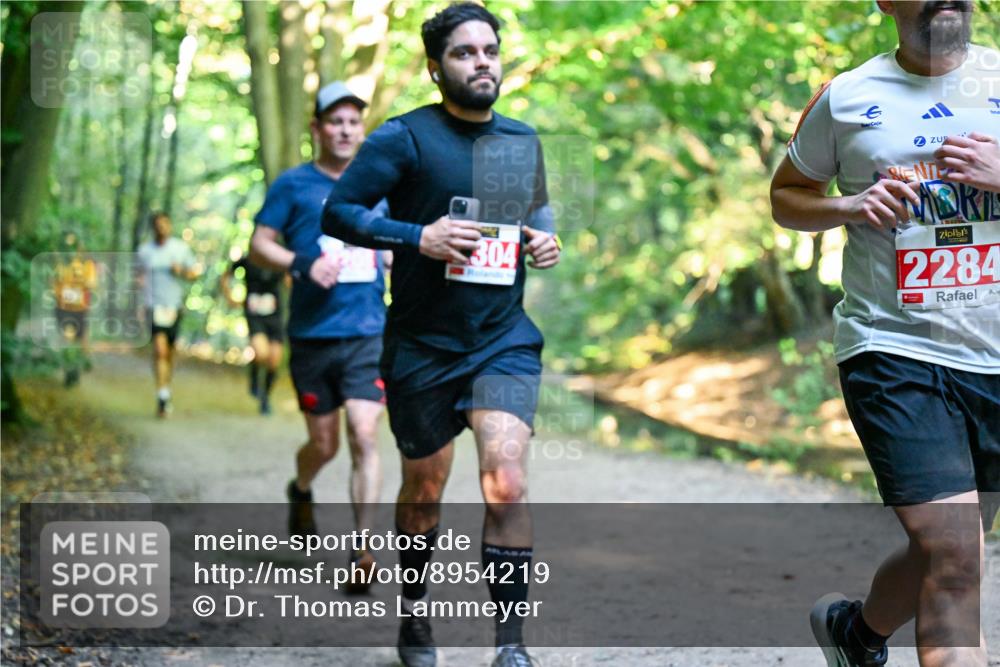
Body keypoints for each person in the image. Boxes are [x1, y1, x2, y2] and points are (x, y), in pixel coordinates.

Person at [322, 4, 561, 666]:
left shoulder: (519, 140)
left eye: (490, 50)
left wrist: (542, 236)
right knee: (424, 486)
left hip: (502, 337)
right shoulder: (403, 138)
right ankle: (415, 613)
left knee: (506, 479)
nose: (482, 61)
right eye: (464, 53)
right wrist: (415, 236)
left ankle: (510, 644)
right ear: (436, 68)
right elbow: (337, 212)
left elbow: (528, 213)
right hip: (423, 345)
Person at [770, 2, 998, 665]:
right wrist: (846, 204)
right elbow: (788, 194)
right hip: (894, 348)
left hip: (994, 349)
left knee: (955, 541)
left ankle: (857, 632)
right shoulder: (846, 97)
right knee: (956, 550)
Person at [249, 81, 389, 590]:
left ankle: (362, 550)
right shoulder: (293, 185)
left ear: (362, 129)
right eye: (336, 121)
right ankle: (302, 486)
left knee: (365, 433)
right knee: (324, 444)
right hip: (311, 334)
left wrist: (393, 252)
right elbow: (260, 244)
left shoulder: (381, 182)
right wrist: (303, 263)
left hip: (369, 333)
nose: (346, 129)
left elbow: (397, 239)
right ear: (317, 128)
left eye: (354, 121)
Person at [136, 212, 201, 418]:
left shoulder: (180, 249)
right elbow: (138, 277)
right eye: (157, 224)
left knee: (170, 353)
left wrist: (180, 271)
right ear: (153, 227)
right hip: (153, 306)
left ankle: (166, 388)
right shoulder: (144, 251)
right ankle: (162, 395)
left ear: (170, 226)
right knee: (159, 350)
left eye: (165, 223)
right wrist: (139, 302)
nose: (161, 227)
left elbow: (194, 273)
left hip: (174, 307)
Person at [221, 252, 286, 414]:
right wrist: (230, 297)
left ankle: (265, 398)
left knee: (274, 360)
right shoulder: (247, 260)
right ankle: (254, 378)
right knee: (261, 353)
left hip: (274, 315)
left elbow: (290, 279)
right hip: (255, 315)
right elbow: (225, 276)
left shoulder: (279, 258)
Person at [52, 231, 98, 387]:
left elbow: (91, 283)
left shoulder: (87, 264)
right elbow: (54, 285)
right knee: (68, 337)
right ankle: (69, 370)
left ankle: (77, 366)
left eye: (74, 245)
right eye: (67, 245)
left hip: (80, 308)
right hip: (63, 307)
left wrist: (79, 281)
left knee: (79, 339)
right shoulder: (58, 262)